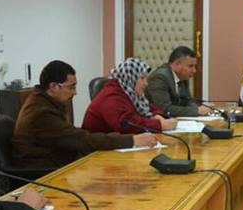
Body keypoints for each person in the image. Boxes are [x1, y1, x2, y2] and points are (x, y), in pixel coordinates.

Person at [13, 60, 157, 169]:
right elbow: (79, 139)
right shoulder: (41, 113)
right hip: (44, 172)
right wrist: (132, 140)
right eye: (71, 87)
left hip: (59, 162)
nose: (75, 93)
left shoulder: (46, 101)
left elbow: (71, 135)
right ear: (54, 87)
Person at [82, 58, 178, 134]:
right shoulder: (112, 95)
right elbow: (127, 124)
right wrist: (160, 125)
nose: (146, 83)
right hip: (97, 148)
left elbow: (149, 108)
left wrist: (157, 116)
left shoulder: (130, 92)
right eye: (142, 78)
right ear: (130, 77)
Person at [146, 46, 211, 118]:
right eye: (190, 66)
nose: (194, 71)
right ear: (177, 64)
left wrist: (200, 109)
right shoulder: (159, 78)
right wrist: (196, 111)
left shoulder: (182, 76)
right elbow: (165, 109)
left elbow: (187, 101)